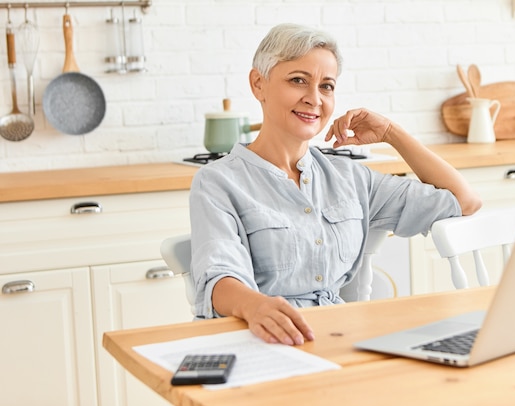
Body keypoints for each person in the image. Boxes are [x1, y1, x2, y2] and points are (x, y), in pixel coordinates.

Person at [189, 23, 482, 347]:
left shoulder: (351, 178)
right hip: (258, 341)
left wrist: (390, 133)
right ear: (259, 84)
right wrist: (255, 306)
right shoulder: (217, 182)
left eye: (326, 86)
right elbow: (218, 277)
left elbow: (464, 201)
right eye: (298, 80)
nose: (314, 99)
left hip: (336, 339)